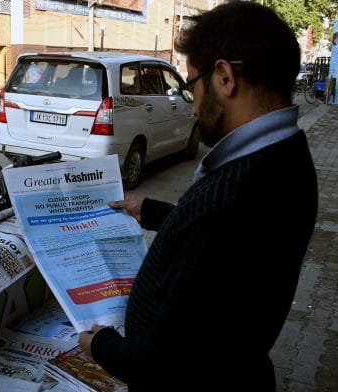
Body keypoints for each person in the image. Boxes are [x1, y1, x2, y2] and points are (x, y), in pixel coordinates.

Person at [78, 2, 318, 391]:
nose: (191, 108)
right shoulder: (285, 153)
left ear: (224, 77)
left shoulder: (242, 188)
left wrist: (101, 345)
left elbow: (164, 360)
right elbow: (229, 246)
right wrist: (153, 211)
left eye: (192, 85)